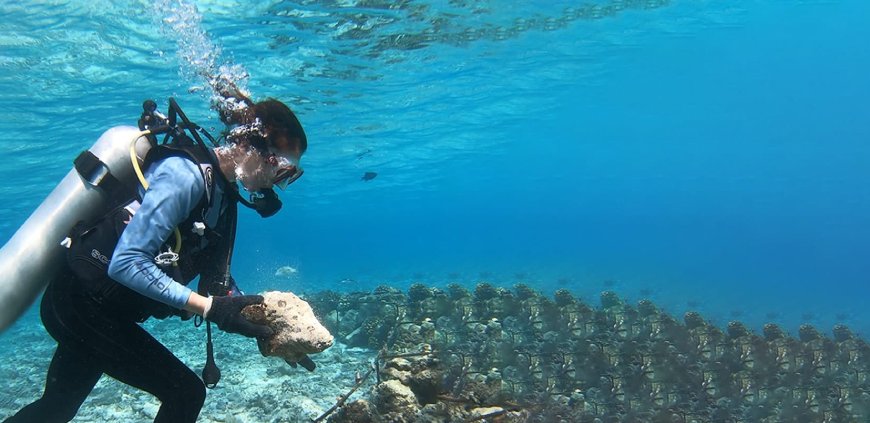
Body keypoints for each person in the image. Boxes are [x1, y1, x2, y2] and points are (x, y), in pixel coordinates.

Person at [4, 85, 307, 423]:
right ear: (247, 146)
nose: (278, 182)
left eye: (289, 176)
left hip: (106, 311)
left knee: (57, 407)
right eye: (280, 168)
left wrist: (273, 330)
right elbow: (126, 262)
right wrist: (208, 308)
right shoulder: (185, 176)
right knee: (185, 392)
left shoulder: (224, 199)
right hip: (79, 303)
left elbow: (217, 285)